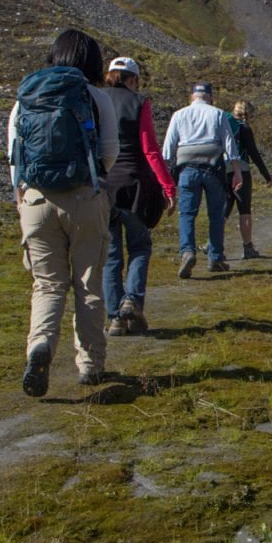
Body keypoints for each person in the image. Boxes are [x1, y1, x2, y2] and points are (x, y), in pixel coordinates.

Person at [8, 29, 118, 397]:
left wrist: (22, 195)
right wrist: (92, 177)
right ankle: (90, 365)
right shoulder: (95, 96)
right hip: (85, 197)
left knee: (48, 284)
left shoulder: (27, 95)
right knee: (88, 283)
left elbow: (15, 154)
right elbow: (109, 151)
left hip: (36, 201)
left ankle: (39, 348)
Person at [103, 56, 178, 336]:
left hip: (105, 186)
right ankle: (131, 302)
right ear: (132, 79)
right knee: (140, 246)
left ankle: (114, 318)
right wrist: (168, 187)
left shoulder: (96, 100)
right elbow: (150, 149)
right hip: (134, 186)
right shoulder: (139, 103)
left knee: (110, 255)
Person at [162, 82, 241, 277]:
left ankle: (187, 251)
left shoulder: (179, 115)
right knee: (216, 214)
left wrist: (164, 176)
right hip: (213, 166)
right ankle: (215, 257)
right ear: (210, 97)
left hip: (187, 168)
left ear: (192, 97)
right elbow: (229, 144)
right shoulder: (218, 114)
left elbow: (167, 148)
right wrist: (237, 171)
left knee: (187, 213)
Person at [225, 100, 272, 259]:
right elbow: (253, 152)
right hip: (242, 169)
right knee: (244, 210)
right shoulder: (244, 128)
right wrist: (266, 175)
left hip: (223, 170)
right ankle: (248, 248)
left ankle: (212, 243)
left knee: (223, 209)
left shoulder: (222, 122)